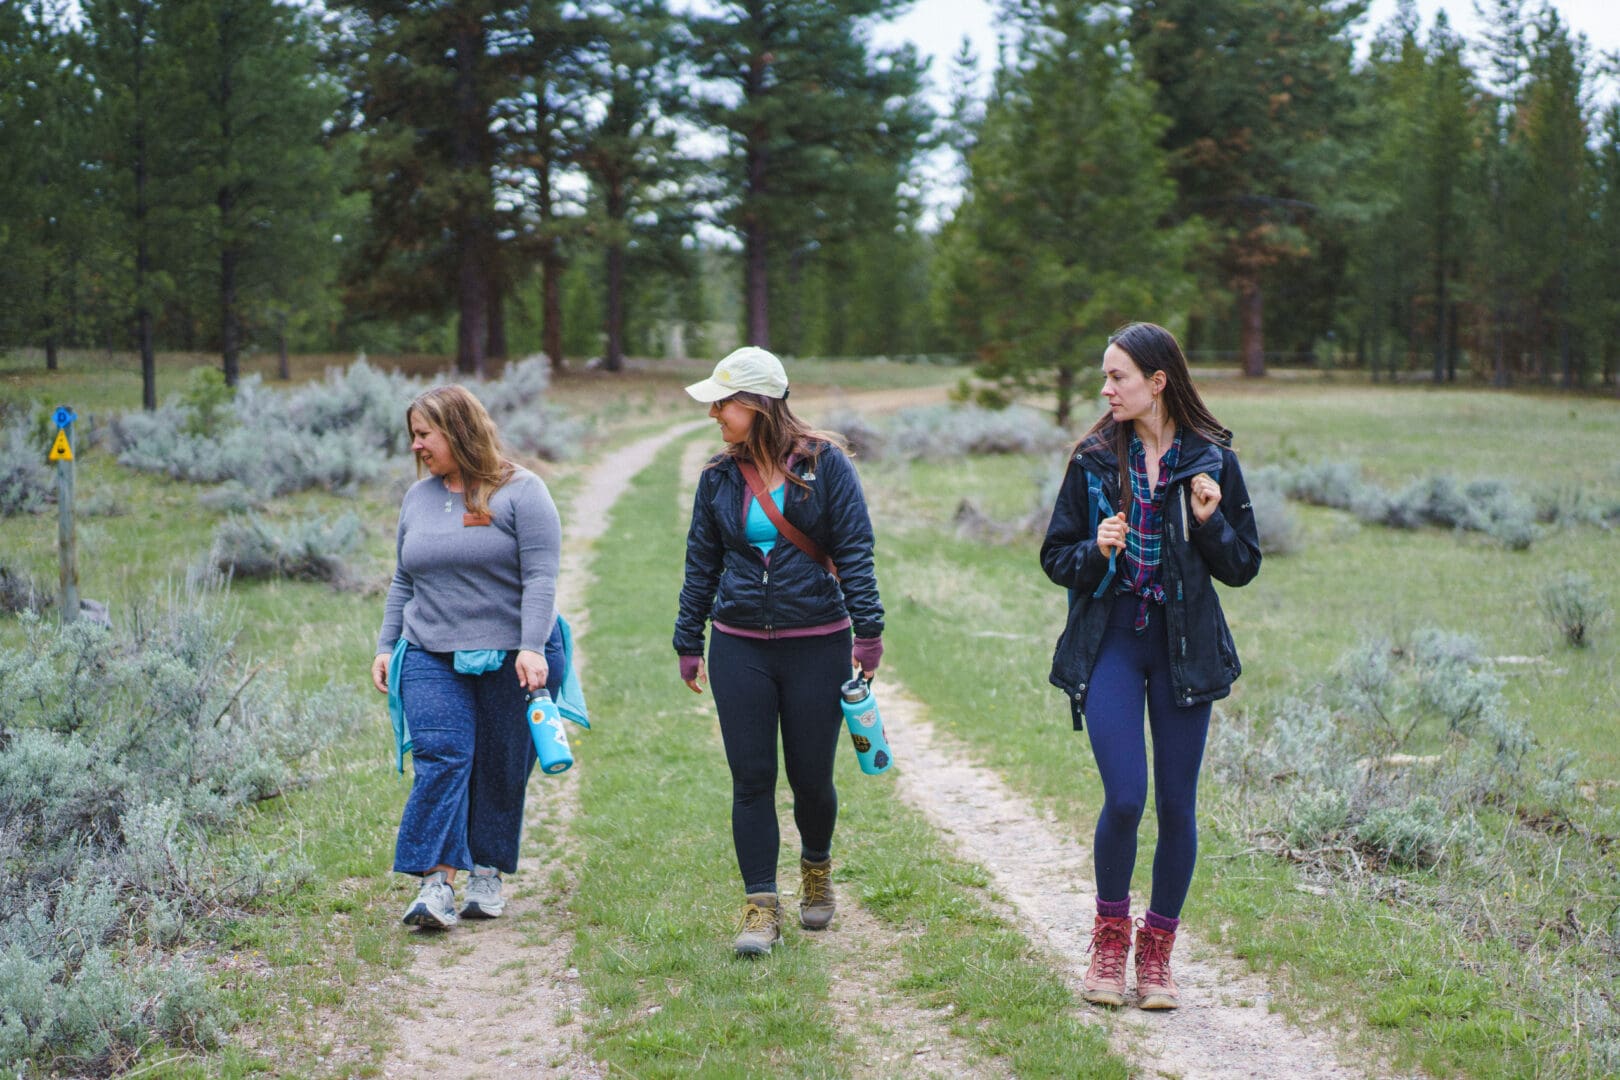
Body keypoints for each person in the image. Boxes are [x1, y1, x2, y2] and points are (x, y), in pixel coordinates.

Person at [1040, 323, 1261, 1009]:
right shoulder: (1091, 459)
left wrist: (1210, 522)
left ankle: (1157, 955)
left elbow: (1244, 565)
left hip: (1184, 650)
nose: (1106, 389)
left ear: (1157, 382)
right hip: (1112, 640)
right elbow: (1056, 557)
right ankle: (1109, 943)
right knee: (1126, 797)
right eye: (1105, 377)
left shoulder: (1212, 462)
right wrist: (1097, 552)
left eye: (1118, 377)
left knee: (1177, 806)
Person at [673, 346, 885, 957]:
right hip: (739, 644)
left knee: (812, 778)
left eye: (723, 401)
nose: (714, 412)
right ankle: (761, 906)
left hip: (817, 641)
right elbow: (701, 563)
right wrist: (690, 639)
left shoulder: (827, 465)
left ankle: (815, 869)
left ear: (758, 405)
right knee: (752, 778)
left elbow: (855, 549)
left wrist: (867, 633)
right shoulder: (717, 476)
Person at [370, 384, 565, 929]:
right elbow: (403, 579)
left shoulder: (523, 493)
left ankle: (487, 870)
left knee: (502, 765)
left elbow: (542, 578)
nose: (416, 447)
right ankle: (436, 884)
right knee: (443, 756)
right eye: (412, 435)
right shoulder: (419, 498)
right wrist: (387, 645)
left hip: (513, 654)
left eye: (424, 434)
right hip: (431, 650)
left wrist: (531, 646)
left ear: (458, 430)